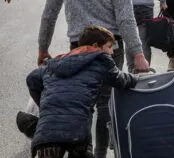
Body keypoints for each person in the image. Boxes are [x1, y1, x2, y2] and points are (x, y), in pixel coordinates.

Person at [37, 0, 149, 158]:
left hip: (78, 46)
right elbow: (125, 17)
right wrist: (138, 54)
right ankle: (99, 153)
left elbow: (49, 14)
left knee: (81, 101)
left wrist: (43, 47)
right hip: (111, 47)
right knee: (105, 103)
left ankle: (82, 151)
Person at [28, 25, 138, 158]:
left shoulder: (55, 63)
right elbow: (120, 80)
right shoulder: (102, 60)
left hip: (46, 133)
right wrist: (137, 78)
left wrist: (45, 106)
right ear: (96, 45)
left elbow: (31, 79)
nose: (112, 52)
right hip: (77, 132)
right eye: (109, 47)